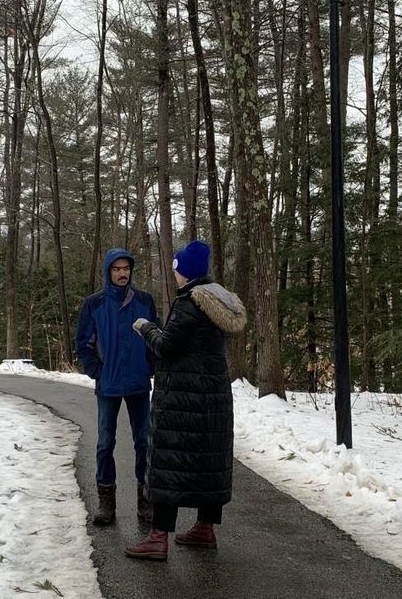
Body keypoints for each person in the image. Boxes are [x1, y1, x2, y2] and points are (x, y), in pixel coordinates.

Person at [125, 240, 246, 561]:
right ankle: (205, 529)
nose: (174, 274)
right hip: (214, 398)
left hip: (181, 398)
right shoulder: (219, 303)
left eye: (177, 268)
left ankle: (157, 537)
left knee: (169, 462)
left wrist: (146, 327)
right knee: (208, 462)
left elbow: (166, 347)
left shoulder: (190, 303)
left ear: (185, 272)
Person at [75, 247, 160, 525]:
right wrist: (97, 371)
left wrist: (150, 367)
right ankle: (106, 504)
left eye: (126, 269)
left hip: (138, 383)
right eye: (117, 269)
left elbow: (155, 339)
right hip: (108, 384)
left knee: (144, 443)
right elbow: (83, 343)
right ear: (108, 271)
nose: (122, 273)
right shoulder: (94, 304)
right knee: (104, 443)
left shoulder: (145, 301)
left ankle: (145, 500)